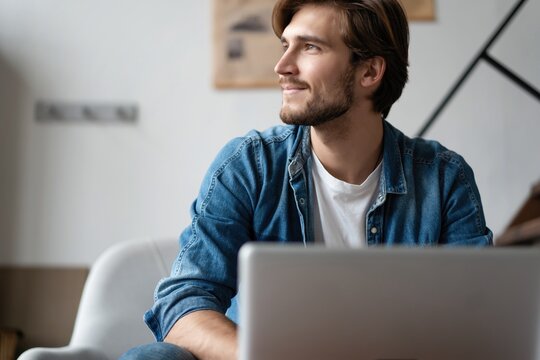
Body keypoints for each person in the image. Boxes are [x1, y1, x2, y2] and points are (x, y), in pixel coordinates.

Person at [120, 0, 493, 359]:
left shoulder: (443, 178)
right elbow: (184, 302)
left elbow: (479, 318)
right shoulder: (250, 165)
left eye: (310, 47)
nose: (282, 66)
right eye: (286, 46)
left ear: (369, 72)